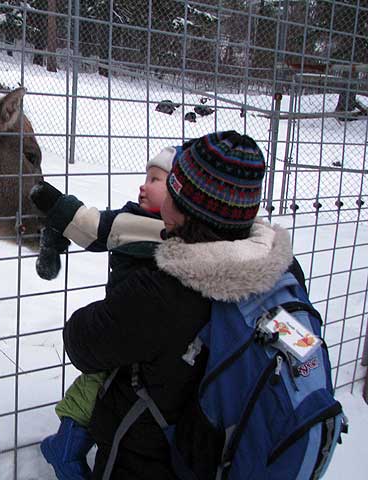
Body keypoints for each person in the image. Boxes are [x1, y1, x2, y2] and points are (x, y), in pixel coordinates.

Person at [57, 131, 300, 479]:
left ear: (184, 206)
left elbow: (81, 342)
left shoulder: (164, 291)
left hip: (153, 463)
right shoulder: (285, 270)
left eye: (171, 188)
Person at [30, 146, 178, 479]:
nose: (144, 185)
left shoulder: (183, 233)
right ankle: (66, 448)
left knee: (110, 390)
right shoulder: (132, 221)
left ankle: (72, 445)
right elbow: (92, 225)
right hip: (120, 331)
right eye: (145, 178)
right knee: (94, 387)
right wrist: (53, 203)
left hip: (145, 343)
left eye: (155, 179)